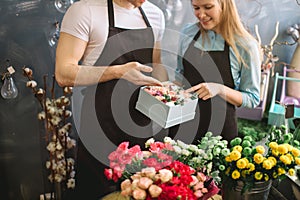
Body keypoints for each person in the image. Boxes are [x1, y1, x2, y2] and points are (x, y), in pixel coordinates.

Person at [55, 0, 167, 199]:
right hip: (101, 127)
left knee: (140, 191)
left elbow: (156, 63)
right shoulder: (84, 11)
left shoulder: (155, 14)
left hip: (142, 126)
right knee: (97, 192)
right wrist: (118, 72)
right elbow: (64, 73)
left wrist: (166, 88)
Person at [170, 0, 261, 144]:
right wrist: (165, 90)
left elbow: (252, 98)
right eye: (196, 8)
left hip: (220, 133)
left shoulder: (245, 45)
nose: (201, 14)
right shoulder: (187, 33)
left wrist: (219, 89)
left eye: (208, 7)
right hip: (182, 124)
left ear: (225, 5)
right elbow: (180, 77)